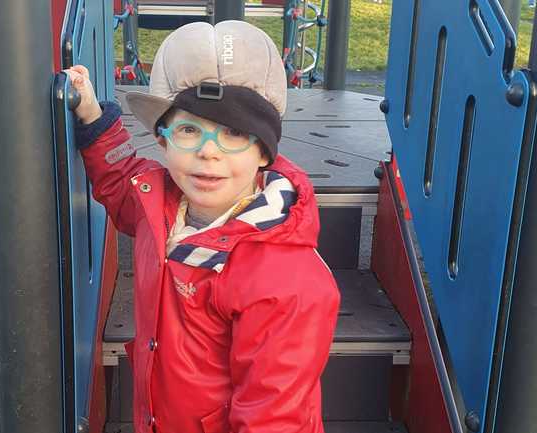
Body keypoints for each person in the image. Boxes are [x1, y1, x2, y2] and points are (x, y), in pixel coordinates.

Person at [65, 20, 339, 433]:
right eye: (189, 130)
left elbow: (273, 416)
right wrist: (90, 115)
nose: (209, 153)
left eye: (234, 133)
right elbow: (120, 179)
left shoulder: (285, 280)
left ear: (264, 153)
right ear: (163, 141)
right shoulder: (160, 205)